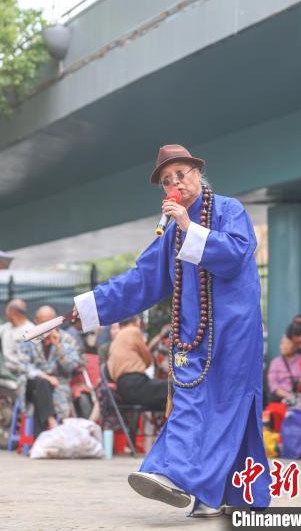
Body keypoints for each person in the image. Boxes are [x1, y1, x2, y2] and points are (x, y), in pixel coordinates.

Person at [73, 144, 271, 516]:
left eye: (181, 174)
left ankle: (218, 494)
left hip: (235, 334)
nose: (175, 183)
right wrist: (88, 306)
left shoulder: (229, 210)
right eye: (167, 180)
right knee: (192, 404)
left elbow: (234, 257)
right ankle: (171, 475)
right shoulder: (170, 234)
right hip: (194, 338)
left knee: (233, 407)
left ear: (198, 173)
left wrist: (187, 225)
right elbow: (141, 281)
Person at [21, 305, 82, 436]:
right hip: (31, 385)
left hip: (58, 385)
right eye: (43, 323)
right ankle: (52, 423)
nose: (47, 327)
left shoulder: (67, 340)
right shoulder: (29, 338)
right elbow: (23, 366)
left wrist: (59, 347)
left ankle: (44, 432)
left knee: (41, 388)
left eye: (51, 322)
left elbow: (70, 367)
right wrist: (46, 377)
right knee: (40, 382)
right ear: (36, 322)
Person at [107, 317, 168, 410]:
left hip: (123, 388)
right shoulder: (133, 331)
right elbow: (148, 360)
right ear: (136, 323)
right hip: (136, 384)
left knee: (163, 398)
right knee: (174, 387)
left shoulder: (115, 341)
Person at [0, 299, 34, 377]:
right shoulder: (5, 327)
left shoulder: (31, 330)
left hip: (22, 373)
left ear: (13, 312)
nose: (6, 314)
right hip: (4, 370)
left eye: (7, 311)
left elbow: (29, 360)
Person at [267, 336, 301, 402]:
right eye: (282, 343)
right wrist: (288, 396)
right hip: (280, 398)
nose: (284, 346)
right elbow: (273, 384)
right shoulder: (275, 362)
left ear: (295, 346)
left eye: (288, 343)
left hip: (299, 397)